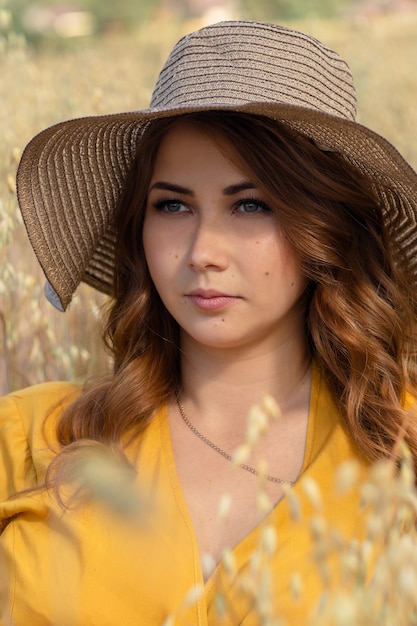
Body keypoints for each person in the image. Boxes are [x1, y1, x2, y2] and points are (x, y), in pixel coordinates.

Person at [1, 19, 417, 626]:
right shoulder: (31, 439)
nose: (203, 252)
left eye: (251, 204)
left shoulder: (400, 449)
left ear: (325, 229)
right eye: (172, 205)